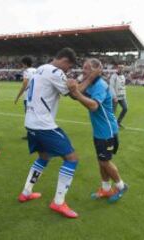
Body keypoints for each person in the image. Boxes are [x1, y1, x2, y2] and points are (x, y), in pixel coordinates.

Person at [17, 48, 99, 219]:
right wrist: (91, 77)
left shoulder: (40, 69)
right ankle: (59, 202)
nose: (67, 71)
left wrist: (77, 82)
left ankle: (26, 192)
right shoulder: (55, 71)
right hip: (43, 125)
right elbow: (75, 94)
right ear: (64, 60)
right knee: (72, 158)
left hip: (30, 123)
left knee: (44, 157)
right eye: (68, 67)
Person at [67, 58, 128, 203]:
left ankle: (121, 185)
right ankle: (106, 189)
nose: (83, 70)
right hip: (99, 131)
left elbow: (93, 106)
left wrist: (77, 93)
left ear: (95, 70)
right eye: (83, 67)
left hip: (107, 131)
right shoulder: (91, 83)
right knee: (101, 161)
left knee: (105, 161)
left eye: (87, 68)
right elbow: (75, 94)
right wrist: (76, 90)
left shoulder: (100, 84)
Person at [14, 56, 37, 140]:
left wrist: (17, 96)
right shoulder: (36, 70)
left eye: (22, 64)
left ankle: (30, 135)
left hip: (28, 97)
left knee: (29, 116)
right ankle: (35, 134)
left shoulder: (27, 71)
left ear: (24, 64)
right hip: (36, 96)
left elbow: (24, 84)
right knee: (35, 115)